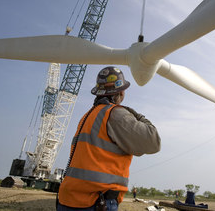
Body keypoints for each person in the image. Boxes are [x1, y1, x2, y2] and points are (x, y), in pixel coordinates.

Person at [57, 66, 161, 211]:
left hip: (67, 200)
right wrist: (136, 115)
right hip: (95, 202)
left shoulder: (88, 115)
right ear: (121, 92)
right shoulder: (115, 115)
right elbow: (153, 142)